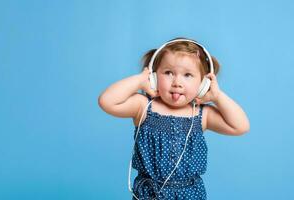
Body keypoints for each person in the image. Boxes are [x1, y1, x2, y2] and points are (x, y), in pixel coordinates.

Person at [98, 37, 250, 200]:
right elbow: (106, 101)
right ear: (155, 77)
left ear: (203, 84)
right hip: (149, 194)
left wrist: (218, 96)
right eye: (168, 73)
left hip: (191, 195)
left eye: (188, 75)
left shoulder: (201, 114)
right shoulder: (144, 107)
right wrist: (140, 81)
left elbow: (240, 126)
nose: (177, 82)